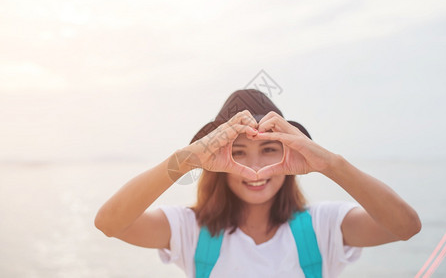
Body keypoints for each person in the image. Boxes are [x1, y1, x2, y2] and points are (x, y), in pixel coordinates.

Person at [95, 89, 421, 278]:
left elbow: (405, 226)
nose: (255, 169)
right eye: (238, 153)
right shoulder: (190, 230)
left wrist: (331, 165)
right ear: (218, 163)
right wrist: (187, 161)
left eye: (269, 149)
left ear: (290, 152)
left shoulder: (325, 226)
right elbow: (110, 223)